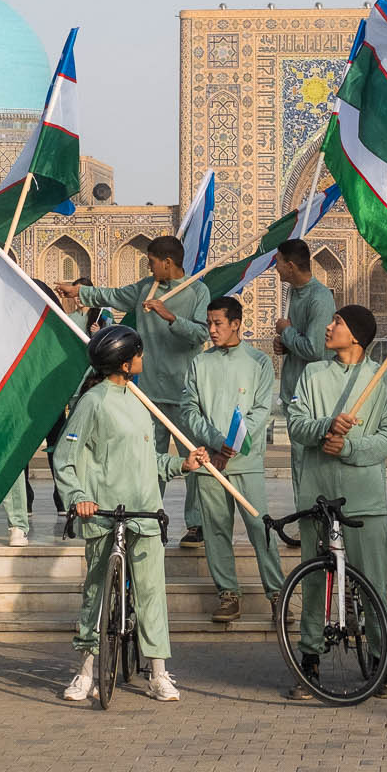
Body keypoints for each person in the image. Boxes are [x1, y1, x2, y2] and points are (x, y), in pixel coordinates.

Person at [54, 325, 209, 703]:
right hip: (105, 512)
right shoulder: (93, 402)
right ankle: (85, 672)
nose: (144, 358)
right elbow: (64, 458)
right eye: (139, 353)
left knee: (152, 595)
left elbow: (147, 460)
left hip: (145, 512)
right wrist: (78, 496)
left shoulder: (141, 401)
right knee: (95, 592)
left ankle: (157, 673)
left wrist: (181, 465)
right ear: (125, 363)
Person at [282, 304, 387, 699]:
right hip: (318, 497)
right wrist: (325, 428)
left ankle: (380, 661)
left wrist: (349, 446)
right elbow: (296, 425)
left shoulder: (382, 381)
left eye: (337, 322)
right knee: (315, 583)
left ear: (356, 335)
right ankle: (310, 659)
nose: (329, 326)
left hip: (364, 500)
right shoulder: (313, 374)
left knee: (374, 585)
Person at [59, 237, 210, 548]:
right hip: (148, 393)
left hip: (185, 394)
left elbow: (201, 334)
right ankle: (146, 516)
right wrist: (80, 292)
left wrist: (170, 317)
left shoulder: (197, 291)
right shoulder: (145, 288)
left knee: (191, 462)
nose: (149, 266)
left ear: (168, 262)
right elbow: (113, 295)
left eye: (152, 261)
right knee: (147, 461)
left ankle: (196, 524)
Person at [179, 295, 282, 623]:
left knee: (258, 527)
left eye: (217, 323)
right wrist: (215, 441)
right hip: (210, 461)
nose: (211, 329)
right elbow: (189, 409)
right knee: (216, 529)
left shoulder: (258, 362)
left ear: (236, 323)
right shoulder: (200, 363)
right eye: (209, 323)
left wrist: (233, 445)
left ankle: (277, 593)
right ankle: (228, 594)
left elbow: (261, 409)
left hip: (244, 461)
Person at [272, 239, 337, 486]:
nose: (275, 267)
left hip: (312, 393)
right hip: (294, 389)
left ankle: (314, 517)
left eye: (277, 262)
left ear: (290, 266)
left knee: (310, 464)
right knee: (299, 462)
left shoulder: (319, 298)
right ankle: (306, 516)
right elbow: (299, 342)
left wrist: (287, 332)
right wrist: (285, 346)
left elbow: (315, 349)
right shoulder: (293, 293)